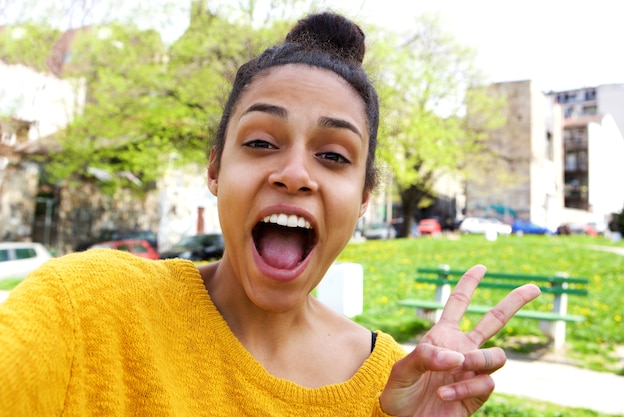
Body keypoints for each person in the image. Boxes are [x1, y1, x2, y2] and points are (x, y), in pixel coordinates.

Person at [0, 11, 540, 416]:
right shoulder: (86, 307)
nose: (296, 174)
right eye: (261, 142)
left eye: (333, 156)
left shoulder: (397, 389)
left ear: (364, 199)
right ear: (214, 169)